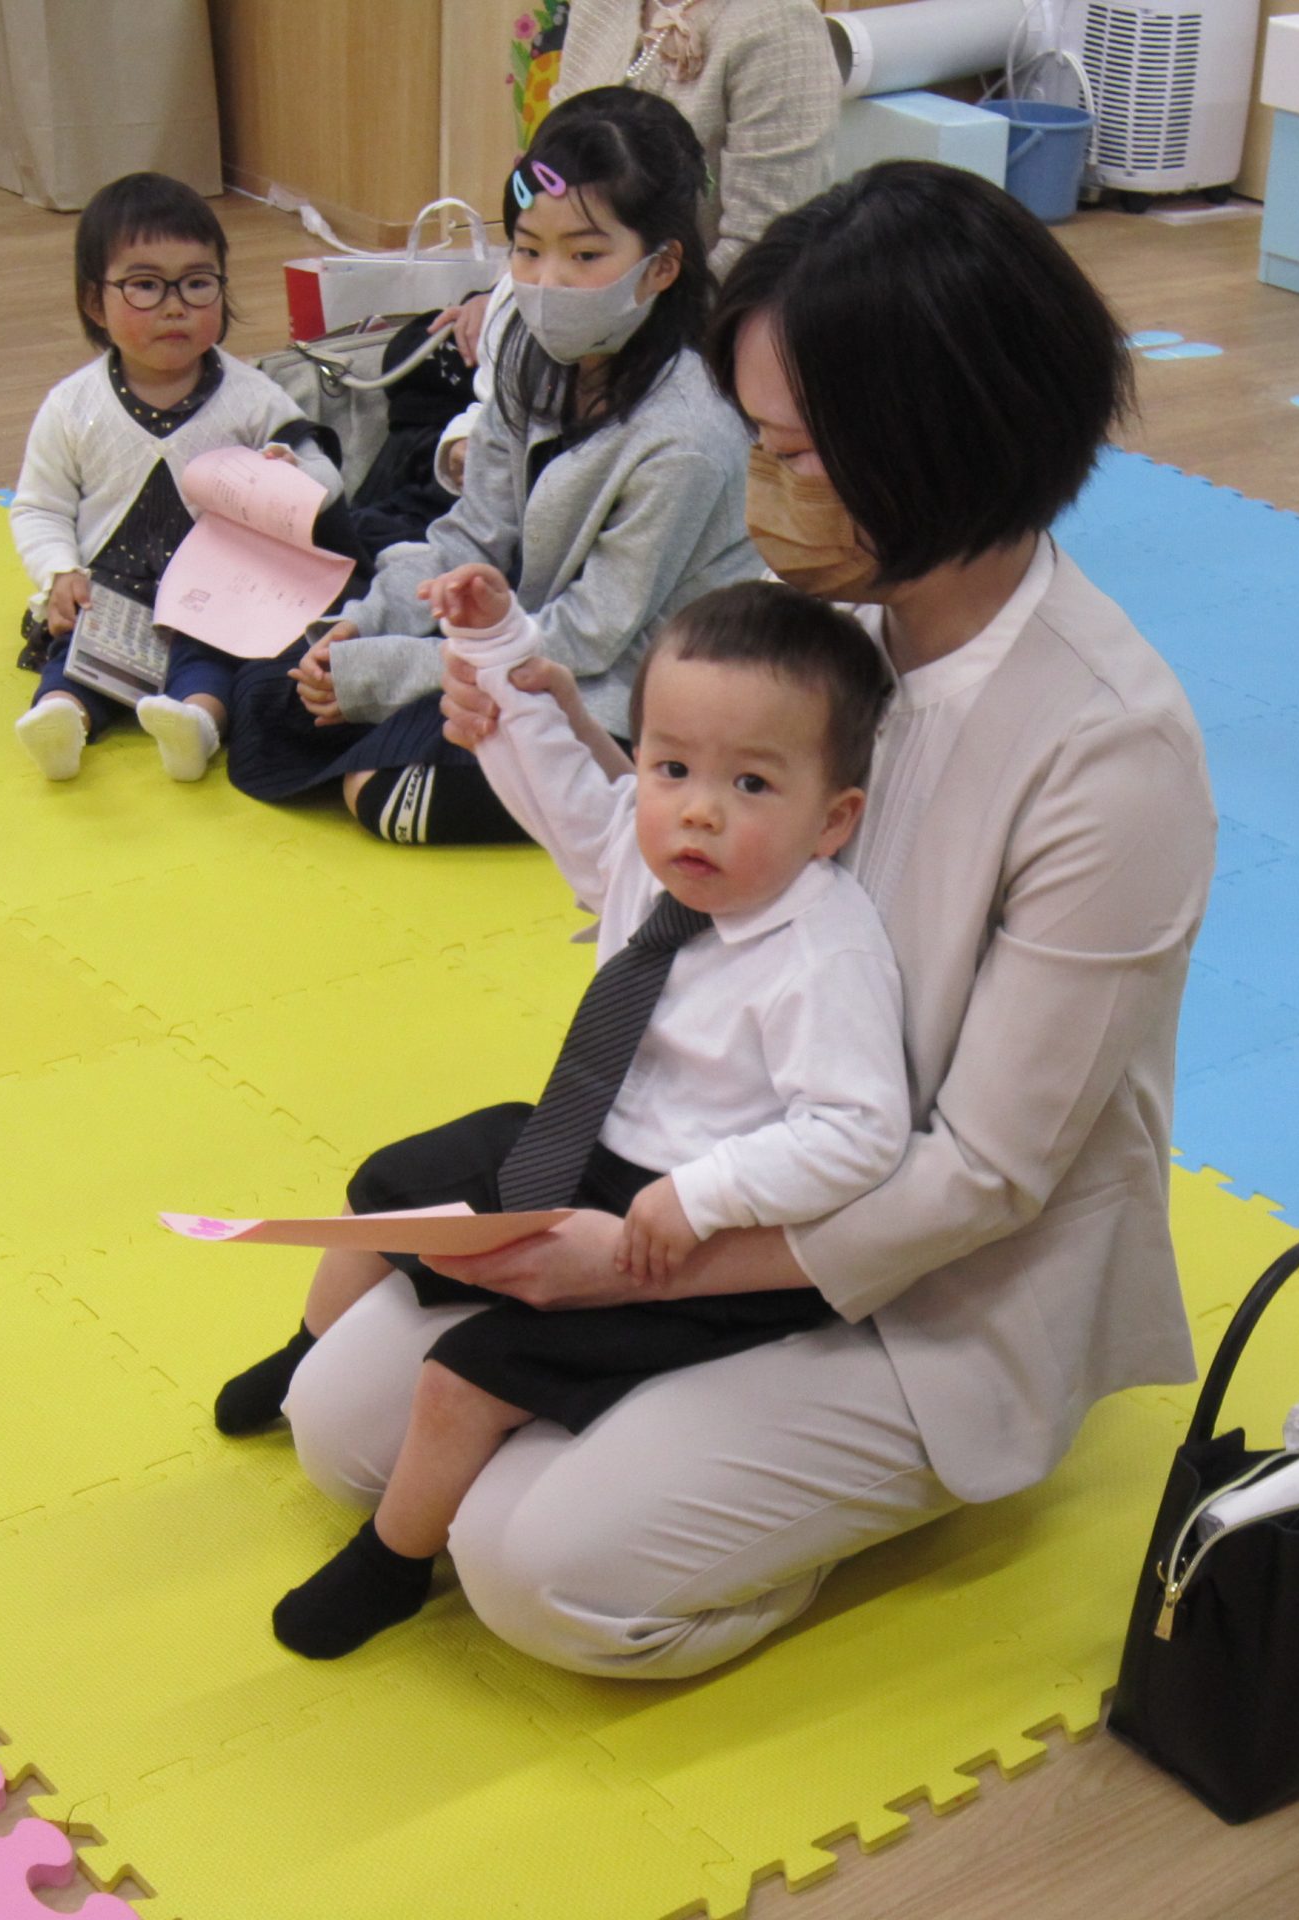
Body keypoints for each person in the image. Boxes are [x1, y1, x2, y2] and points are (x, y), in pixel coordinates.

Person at [276, 162, 1213, 1680]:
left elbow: (983, 1176)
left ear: (941, 438)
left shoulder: (1111, 756)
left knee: (530, 1568)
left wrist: (626, 1266)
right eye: (760, 436)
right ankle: (651, 1437)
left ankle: (806, 1528)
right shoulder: (833, 625)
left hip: (927, 1287)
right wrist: (554, 733)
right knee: (345, 1432)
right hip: (702, 1184)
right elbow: (676, 890)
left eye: (793, 451)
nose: (763, 480)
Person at [225, 565, 908, 1658]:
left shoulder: (822, 950)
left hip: (692, 1223)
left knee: (465, 1377)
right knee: (393, 1191)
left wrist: (701, 1197)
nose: (697, 809)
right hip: (588, 1142)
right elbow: (552, 786)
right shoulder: (655, 855)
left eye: (750, 785)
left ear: (833, 820)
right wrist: (494, 647)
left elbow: (858, 1132)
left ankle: (390, 1566)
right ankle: (304, 1350)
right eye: (672, 768)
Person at [224, 88, 757, 845]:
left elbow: (590, 637)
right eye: (528, 249)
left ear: (662, 266)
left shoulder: (688, 433)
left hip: (622, 687)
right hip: (510, 640)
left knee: (385, 790)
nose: (546, 281)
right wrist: (364, 625)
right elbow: (472, 532)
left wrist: (389, 672)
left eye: (585, 255)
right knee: (272, 684)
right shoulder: (530, 355)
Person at [8, 172, 344, 783]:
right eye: (145, 286)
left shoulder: (251, 397)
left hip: (216, 595)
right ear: (94, 302)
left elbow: (325, 475)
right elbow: (39, 507)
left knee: (212, 663)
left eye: (197, 283)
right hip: (109, 592)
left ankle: (196, 726)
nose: (174, 306)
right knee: (75, 659)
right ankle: (61, 720)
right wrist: (60, 571)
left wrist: (291, 475)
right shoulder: (72, 406)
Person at [428, 0, 841, 481]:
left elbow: (764, 255)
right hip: (590, 333)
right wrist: (514, 289)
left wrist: (611, 327)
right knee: (436, 362)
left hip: (687, 344)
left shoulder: (778, 23)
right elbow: (552, 181)